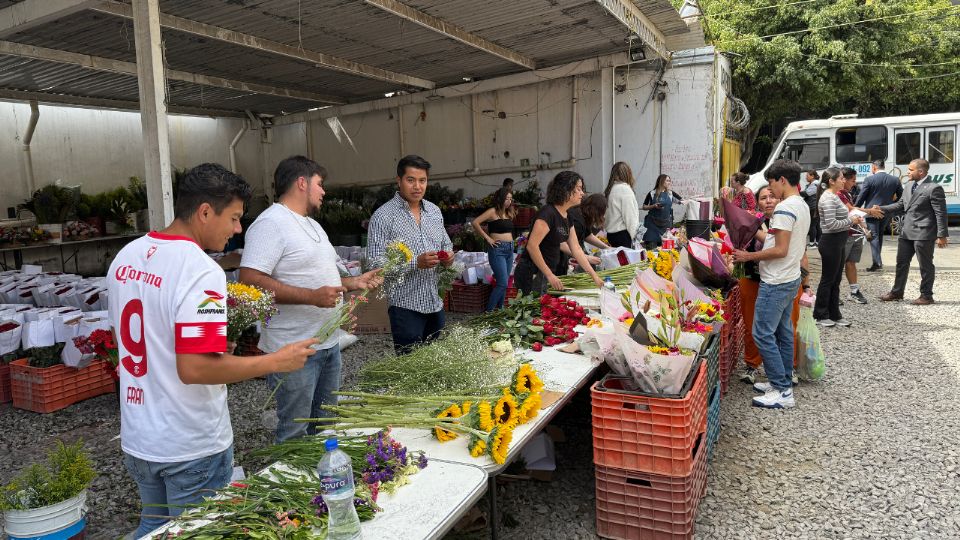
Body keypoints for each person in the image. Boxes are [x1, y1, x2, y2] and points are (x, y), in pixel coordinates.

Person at [108, 164, 318, 538]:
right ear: (205, 211)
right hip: (189, 444)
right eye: (234, 218)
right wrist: (275, 361)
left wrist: (216, 348)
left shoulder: (127, 256)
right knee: (198, 531)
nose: (238, 230)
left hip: (141, 438)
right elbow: (196, 369)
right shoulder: (200, 270)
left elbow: (143, 340)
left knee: (154, 527)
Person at [239, 156, 383, 444]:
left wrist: (353, 283)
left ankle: (321, 481)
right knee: (295, 431)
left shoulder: (313, 226)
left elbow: (319, 280)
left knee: (325, 426)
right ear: (301, 183)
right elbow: (249, 280)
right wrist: (312, 298)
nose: (324, 191)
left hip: (328, 344)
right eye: (320, 184)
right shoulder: (271, 224)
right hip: (294, 349)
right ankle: (291, 481)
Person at [732, 159, 809, 409]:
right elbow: (777, 241)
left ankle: (781, 390)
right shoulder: (801, 205)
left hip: (776, 280)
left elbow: (780, 250)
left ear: (782, 181)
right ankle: (783, 379)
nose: (771, 191)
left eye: (772, 184)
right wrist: (751, 229)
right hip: (789, 278)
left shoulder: (785, 209)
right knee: (783, 333)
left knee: (762, 333)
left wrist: (748, 256)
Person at [368, 155, 455, 353]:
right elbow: (374, 266)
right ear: (398, 181)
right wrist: (415, 263)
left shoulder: (434, 211)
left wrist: (448, 257)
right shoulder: (383, 216)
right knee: (410, 367)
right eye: (411, 180)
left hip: (435, 303)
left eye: (422, 180)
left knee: (436, 364)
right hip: (405, 307)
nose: (417, 186)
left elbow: (446, 244)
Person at [872, 158, 949, 305]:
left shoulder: (934, 188)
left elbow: (941, 213)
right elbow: (900, 205)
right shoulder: (908, 185)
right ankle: (897, 292)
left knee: (925, 265)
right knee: (901, 263)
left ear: (921, 172)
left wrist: (942, 235)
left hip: (924, 233)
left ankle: (926, 296)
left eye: (910, 170)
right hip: (907, 232)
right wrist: (881, 208)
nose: (907, 172)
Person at [513, 171, 604, 294]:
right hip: (532, 272)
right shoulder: (547, 213)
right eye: (578, 189)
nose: (582, 193)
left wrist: (595, 276)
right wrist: (549, 275)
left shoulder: (567, 216)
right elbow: (532, 246)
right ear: (566, 190)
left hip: (548, 272)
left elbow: (576, 249)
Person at [813, 168, 864, 327]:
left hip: (839, 240)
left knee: (836, 279)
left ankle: (834, 313)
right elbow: (831, 224)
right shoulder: (828, 198)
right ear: (831, 181)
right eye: (841, 178)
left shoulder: (834, 196)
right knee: (828, 279)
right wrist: (851, 221)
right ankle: (821, 314)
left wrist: (851, 219)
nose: (844, 180)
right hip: (831, 241)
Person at [472, 187, 517, 311]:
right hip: (498, 250)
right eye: (506, 198)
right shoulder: (492, 211)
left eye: (510, 199)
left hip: (509, 249)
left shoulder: (509, 213)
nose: (509, 201)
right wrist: (488, 238)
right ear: (500, 198)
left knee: (504, 283)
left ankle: (500, 309)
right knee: (502, 283)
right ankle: (489, 312)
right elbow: (475, 222)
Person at [856, 159, 903, 271]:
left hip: (872, 212)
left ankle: (877, 263)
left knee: (874, 236)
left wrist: (854, 208)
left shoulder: (869, 179)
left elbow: (862, 196)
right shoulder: (895, 180)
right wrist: (892, 206)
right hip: (886, 212)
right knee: (879, 235)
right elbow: (902, 197)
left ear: (874, 167)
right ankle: (877, 261)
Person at [557, 193, 609, 275]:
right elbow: (563, 244)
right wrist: (586, 257)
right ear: (596, 210)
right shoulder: (576, 220)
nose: (603, 216)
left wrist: (606, 247)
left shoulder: (583, 215)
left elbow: (587, 235)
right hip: (561, 259)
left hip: (573, 255)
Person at [838, 167, 868, 304]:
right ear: (843, 179)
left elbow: (853, 212)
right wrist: (870, 211)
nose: (854, 183)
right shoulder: (838, 194)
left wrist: (863, 226)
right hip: (844, 233)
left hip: (854, 232)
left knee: (851, 262)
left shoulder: (847, 193)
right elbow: (851, 210)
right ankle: (834, 293)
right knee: (838, 265)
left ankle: (854, 291)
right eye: (853, 180)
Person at [641, 174, 684, 250]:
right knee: (651, 250)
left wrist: (690, 200)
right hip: (652, 226)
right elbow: (644, 206)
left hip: (665, 227)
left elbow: (681, 201)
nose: (669, 183)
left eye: (669, 181)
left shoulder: (671, 194)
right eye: (667, 180)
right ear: (661, 181)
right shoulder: (652, 193)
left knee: (665, 250)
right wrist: (653, 206)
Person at [603, 162, 640, 248]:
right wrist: (635, 238)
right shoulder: (625, 190)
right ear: (628, 174)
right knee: (627, 261)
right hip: (623, 235)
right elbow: (630, 217)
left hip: (611, 234)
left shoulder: (610, 189)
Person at [804, 169, 821, 247]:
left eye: (807, 176)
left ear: (812, 176)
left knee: (812, 225)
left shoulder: (815, 184)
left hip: (813, 207)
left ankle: (812, 243)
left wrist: (796, 191)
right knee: (817, 225)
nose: (806, 177)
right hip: (816, 206)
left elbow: (807, 193)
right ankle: (817, 242)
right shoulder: (815, 183)